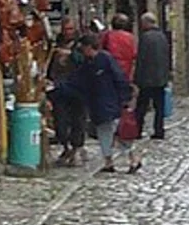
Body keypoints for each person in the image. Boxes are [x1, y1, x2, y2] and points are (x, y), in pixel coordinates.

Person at [68, 34, 141, 174]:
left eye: (83, 48)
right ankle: (112, 161)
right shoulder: (89, 63)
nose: (82, 51)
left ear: (89, 47)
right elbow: (78, 80)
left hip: (109, 103)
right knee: (107, 133)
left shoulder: (104, 60)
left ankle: (131, 158)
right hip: (100, 104)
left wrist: (125, 98)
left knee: (114, 132)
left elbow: (119, 78)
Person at [133, 12, 171, 141]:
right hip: (160, 78)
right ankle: (159, 131)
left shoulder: (146, 37)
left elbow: (141, 59)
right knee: (159, 107)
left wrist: (136, 78)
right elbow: (167, 57)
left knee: (141, 106)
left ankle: (137, 130)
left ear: (146, 23)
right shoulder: (162, 37)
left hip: (147, 79)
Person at [46, 43, 87, 166]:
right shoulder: (55, 45)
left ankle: (76, 149)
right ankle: (65, 147)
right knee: (60, 121)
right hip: (59, 93)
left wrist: (71, 54)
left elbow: (84, 60)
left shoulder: (80, 45)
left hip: (78, 91)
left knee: (78, 121)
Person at [101, 13, 138, 77]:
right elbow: (134, 54)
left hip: (111, 68)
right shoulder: (130, 37)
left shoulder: (107, 35)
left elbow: (101, 50)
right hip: (126, 69)